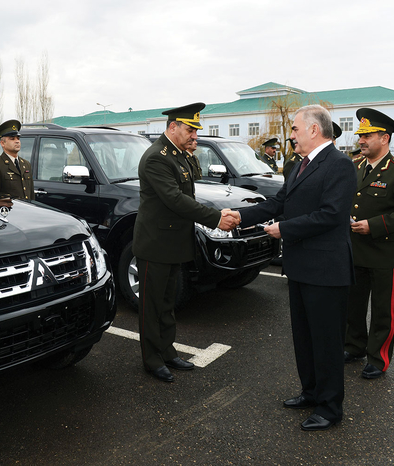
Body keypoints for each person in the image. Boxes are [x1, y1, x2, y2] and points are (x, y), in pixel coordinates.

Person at [226, 105, 357, 431]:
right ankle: (311, 392)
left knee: (326, 342)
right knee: (305, 338)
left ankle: (329, 408)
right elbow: (278, 203)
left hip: (326, 270)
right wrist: (242, 215)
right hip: (300, 267)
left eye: (296, 129)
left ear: (314, 130)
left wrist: (285, 229)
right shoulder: (300, 165)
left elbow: (330, 215)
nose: (292, 135)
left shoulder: (340, 165)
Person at [132, 102, 238, 383]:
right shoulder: (157, 157)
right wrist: (216, 218)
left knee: (168, 303)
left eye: (195, 130)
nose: (195, 136)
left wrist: (218, 211)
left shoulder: (179, 155)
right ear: (172, 127)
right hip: (155, 244)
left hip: (173, 242)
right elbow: (176, 200)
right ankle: (151, 359)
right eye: (190, 129)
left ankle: (167, 351)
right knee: (152, 306)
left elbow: (188, 197)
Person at [344, 109, 394, 377]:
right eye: (360, 135)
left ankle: (378, 358)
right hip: (356, 250)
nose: (361, 140)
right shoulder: (356, 167)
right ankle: (354, 347)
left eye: (367, 135)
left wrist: (372, 226)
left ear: (384, 138)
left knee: (383, 311)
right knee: (354, 305)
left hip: (384, 253)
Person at [0, 119, 34, 200]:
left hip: (27, 211)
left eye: (18, 138)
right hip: (10, 211)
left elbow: (31, 194)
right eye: (12, 139)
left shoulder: (26, 164)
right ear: (2, 143)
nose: (17, 141)